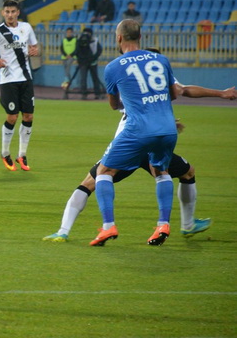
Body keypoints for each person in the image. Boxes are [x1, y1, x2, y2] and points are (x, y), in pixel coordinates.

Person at [43, 83, 236, 242]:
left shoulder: (127, 73)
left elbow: (115, 104)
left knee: (91, 182)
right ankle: (181, 224)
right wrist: (221, 93)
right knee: (176, 173)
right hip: (151, 140)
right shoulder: (158, 72)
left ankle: (65, 231)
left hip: (128, 143)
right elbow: (181, 90)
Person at [90, 19, 178, 247]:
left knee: (103, 171)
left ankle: (108, 226)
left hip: (138, 129)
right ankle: (163, 224)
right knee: (161, 171)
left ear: (119, 38)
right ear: (140, 37)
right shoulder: (161, 59)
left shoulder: (113, 67)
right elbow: (173, 94)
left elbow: (113, 105)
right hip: (168, 128)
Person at [0, 0, 39, 171]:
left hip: (26, 78)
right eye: (7, 12)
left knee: (28, 116)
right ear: (3, 13)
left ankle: (22, 154)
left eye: (13, 12)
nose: (10, 15)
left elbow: (34, 47)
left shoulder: (26, 28)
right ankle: (5, 152)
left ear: (18, 13)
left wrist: (34, 50)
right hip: (8, 79)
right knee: (12, 117)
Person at [75, 27, 103, 100]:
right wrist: (80, 59)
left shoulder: (95, 40)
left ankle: (97, 93)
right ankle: (84, 94)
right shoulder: (79, 40)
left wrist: (93, 58)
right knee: (83, 78)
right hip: (83, 63)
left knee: (95, 78)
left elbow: (99, 50)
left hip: (92, 62)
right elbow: (77, 51)